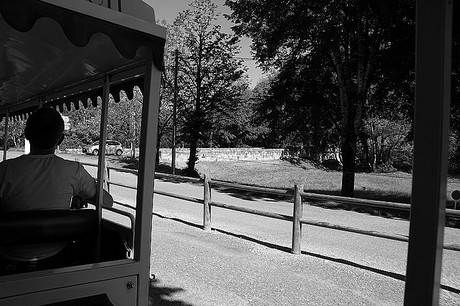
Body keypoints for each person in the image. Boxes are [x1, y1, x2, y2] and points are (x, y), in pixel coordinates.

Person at [0, 107, 113, 265]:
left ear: (26, 135)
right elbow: (107, 201)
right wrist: (77, 195)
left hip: (8, 259)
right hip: (57, 257)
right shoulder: (73, 171)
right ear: (60, 140)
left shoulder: (4, 170)